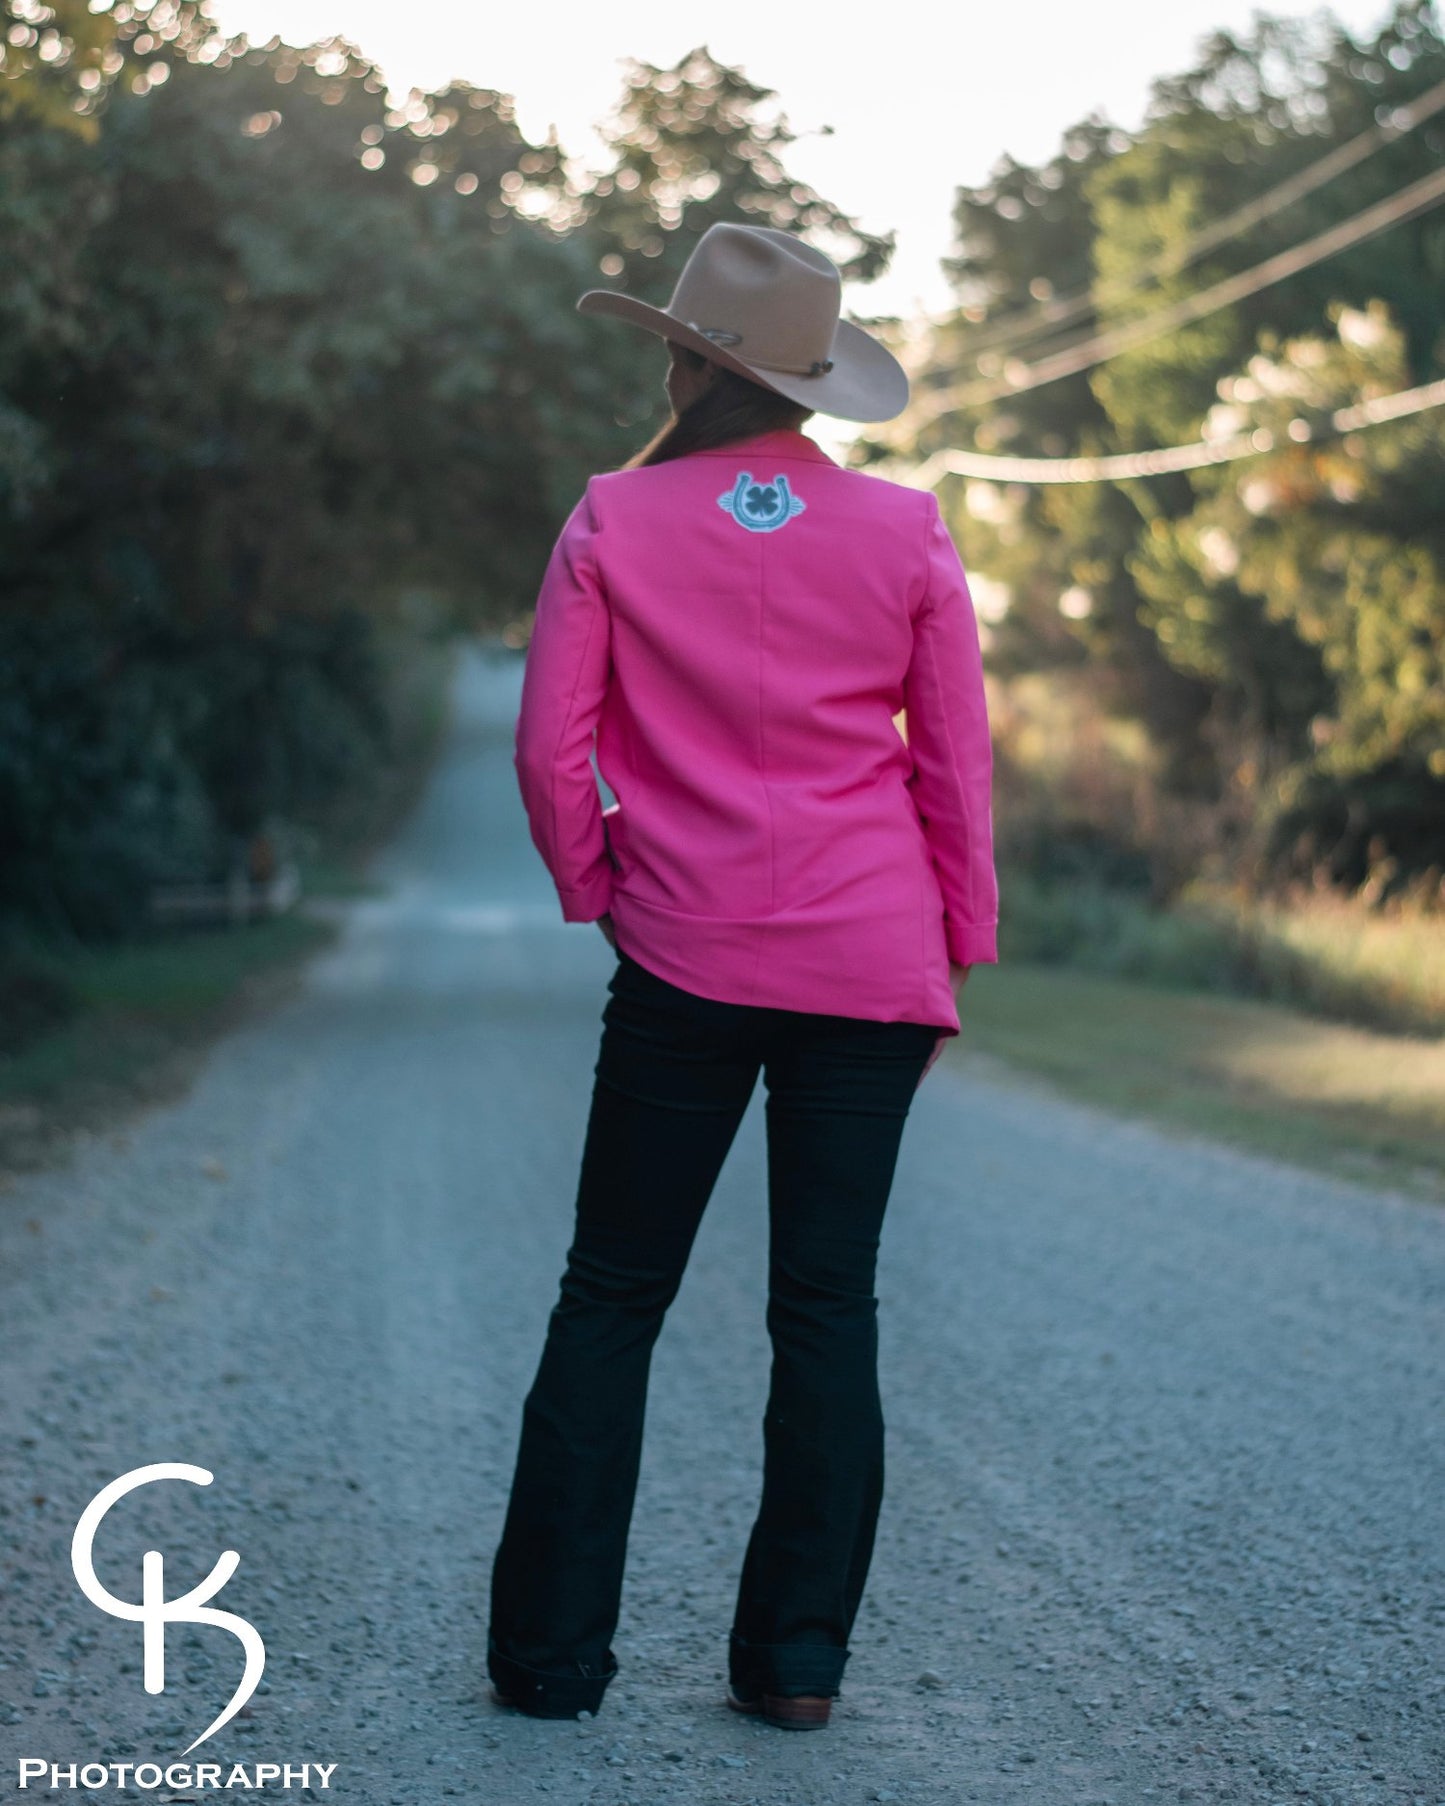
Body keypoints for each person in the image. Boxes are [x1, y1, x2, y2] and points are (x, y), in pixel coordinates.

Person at [487, 221, 998, 1731]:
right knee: (826, 1311)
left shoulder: (610, 521)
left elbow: (546, 752)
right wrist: (953, 951)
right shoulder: (905, 533)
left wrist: (602, 888)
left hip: (684, 956)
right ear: (809, 385)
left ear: (681, 357)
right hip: (869, 963)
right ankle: (794, 1666)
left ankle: (549, 1662)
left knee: (612, 1294)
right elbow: (953, 773)